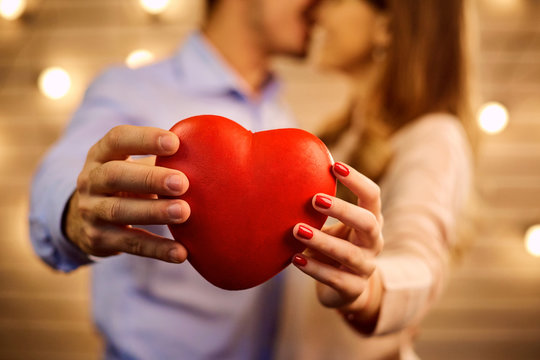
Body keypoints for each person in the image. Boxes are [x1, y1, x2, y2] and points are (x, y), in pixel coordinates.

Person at [30, 0, 387, 359]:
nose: (320, 5)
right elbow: (58, 177)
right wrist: (75, 212)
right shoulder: (130, 88)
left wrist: (368, 293)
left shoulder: (283, 117)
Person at [273, 0, 473, 359]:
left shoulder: (434, 136)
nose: (316, 11)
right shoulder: (342, 133)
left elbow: (420, 258)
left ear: (387, 25)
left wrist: (366, 290)